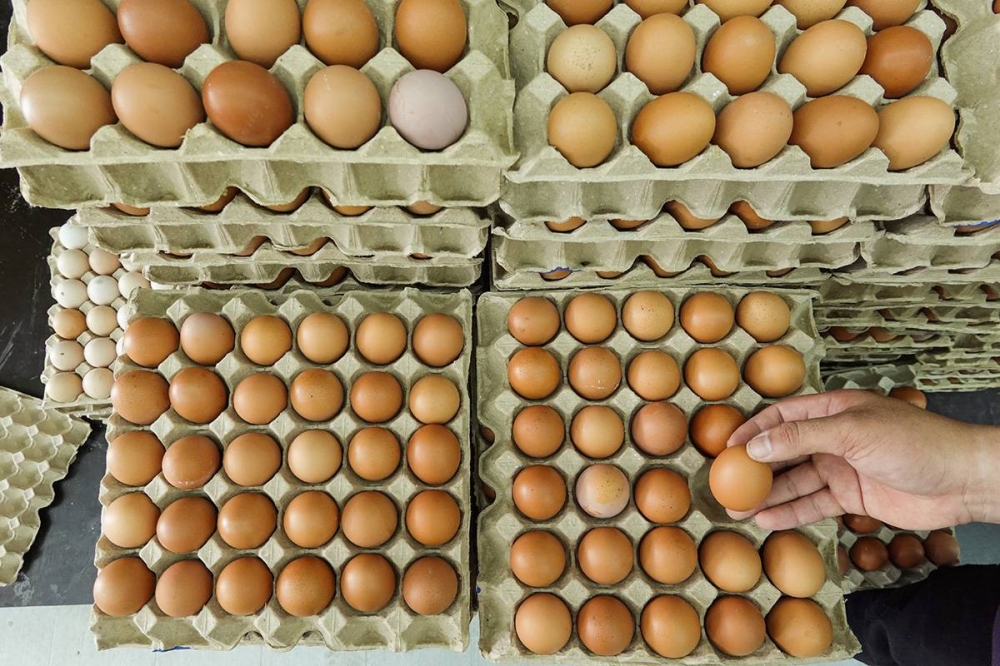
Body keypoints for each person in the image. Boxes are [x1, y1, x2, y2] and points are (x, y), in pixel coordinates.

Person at [725, 389, 1000, 666]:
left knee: (909, 634)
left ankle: (854, 620)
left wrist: (971, 475)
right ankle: (856, 618)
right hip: (981, 619)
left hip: (971, 646)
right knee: (908, 621)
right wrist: (970, 471)